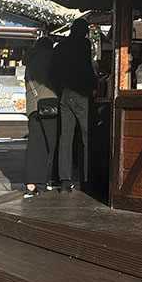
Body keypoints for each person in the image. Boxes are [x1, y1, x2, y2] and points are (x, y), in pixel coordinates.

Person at [55, 18, 95, 193]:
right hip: (81, 93)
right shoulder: (84, 44)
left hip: (65, 93)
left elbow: (54, 70)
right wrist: (93, 85)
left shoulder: (61, 47)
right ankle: (87, 178)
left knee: (66, 137)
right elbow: (86, 67)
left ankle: (64, 180)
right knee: (87, 136)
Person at [22, 37, 58, 198]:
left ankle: (31, 183)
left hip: (33, 106)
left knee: (35, 145)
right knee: (52, 143)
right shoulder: (49, 56)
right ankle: (49, 179)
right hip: (49, 103)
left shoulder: (29, 60)